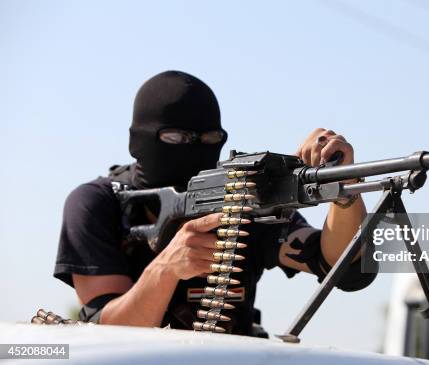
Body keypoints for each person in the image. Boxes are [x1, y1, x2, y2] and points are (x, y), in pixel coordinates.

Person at [54, 70, 375, 336]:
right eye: (175, 138)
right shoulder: (98, 205)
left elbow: (342, 266)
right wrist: (165, 270)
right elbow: (107, 333)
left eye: (208, 140)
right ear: (141, 138)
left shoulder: (239, 199)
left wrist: (345, 193)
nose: (192, 149)